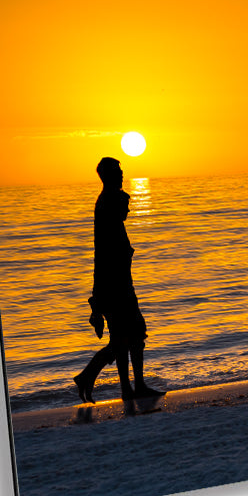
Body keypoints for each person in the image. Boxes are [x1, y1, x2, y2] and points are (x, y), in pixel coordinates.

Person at [73, 157, 164, 403]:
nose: (123, 175)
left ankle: (129, 388)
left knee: (128, 337)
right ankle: (98, 378)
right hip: (115, 285)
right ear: (109, 175)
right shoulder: (108, 201)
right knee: (131, 335)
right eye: (118, 172)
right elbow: (122, 213)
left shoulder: (107, 201)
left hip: (118, 282)